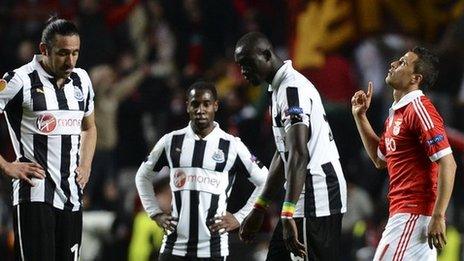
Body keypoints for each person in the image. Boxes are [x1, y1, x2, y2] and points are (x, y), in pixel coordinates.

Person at [235, 32, 347, 260]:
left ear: (266, 55)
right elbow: (284, 152)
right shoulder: (278, 90)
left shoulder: (291, 89)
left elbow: (298, 152)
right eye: (240, 65)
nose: (243, 71)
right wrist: (260, 207)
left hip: (316, 195)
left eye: (247, 63)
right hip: (303, 196)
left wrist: (287, 213)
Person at [135, 81, 267, 260]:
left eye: (206, 104)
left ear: (216, 106)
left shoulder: (232, 145)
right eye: (195, 104)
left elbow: (265, 180)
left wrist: (240, 217)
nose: (200, 109)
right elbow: (142, 177)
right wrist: (155, 213)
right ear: (187, 106)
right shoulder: (171, 141)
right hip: (173, 247)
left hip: (213, 250)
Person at [0, 17, 96, 260]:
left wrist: (85, 164)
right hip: (34, 194)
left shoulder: (82, 80)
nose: (71, 61)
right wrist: (6, 166)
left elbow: (89, 127)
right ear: (44, 49)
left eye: (75, 53)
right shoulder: (19, 80)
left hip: (72, 196)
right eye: (63, 53)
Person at [351, 47, 456, 260]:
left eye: (402, 63)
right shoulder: (396, 114)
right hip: (407, 214)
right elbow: (380, 160)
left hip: (414, 215)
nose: (393, 64)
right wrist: (361, 116)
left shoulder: (418, 108)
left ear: (415, 78)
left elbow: (448, 163)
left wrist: (438, 216)